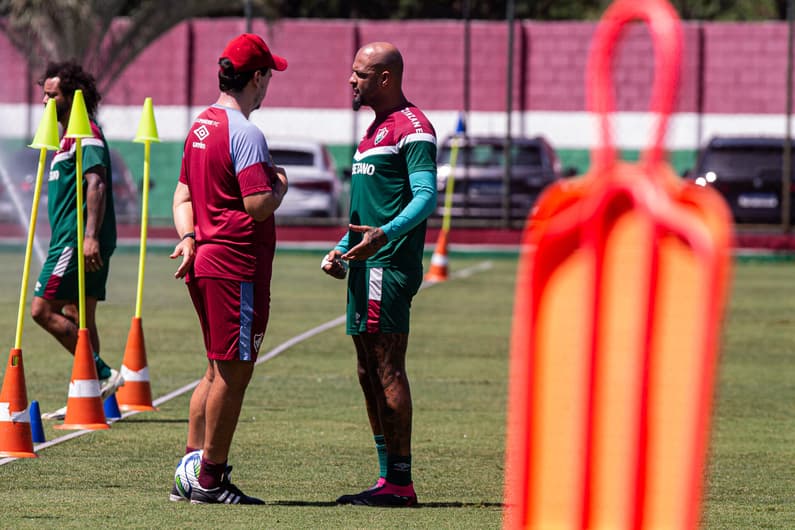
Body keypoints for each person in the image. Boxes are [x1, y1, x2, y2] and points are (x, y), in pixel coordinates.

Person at [169, 33, 289, 505]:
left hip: (207, 262)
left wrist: (188, 237)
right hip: (235, 266)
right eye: (268, 77)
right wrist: (280, 185)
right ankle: (210, 479)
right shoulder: (244, 131)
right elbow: (258, 204)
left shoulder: (201, 124)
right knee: (234, 374)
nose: (268, 87)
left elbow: (181, 196)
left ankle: (191, 469)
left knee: (217, 371)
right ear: (255, 78)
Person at [322, 42, 437, 507]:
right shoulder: (372, 132)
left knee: (386, 369)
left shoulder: (413, 127)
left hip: (386, 268)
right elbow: (365, 207)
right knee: (366, 369)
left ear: (385, 78)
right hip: (364, 264)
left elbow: (426, 195)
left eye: (360, 73)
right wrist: (342, 246)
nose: (351, 80)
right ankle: (386, 477)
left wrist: (384, 235)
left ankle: (400, 483)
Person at [31, 61, 124, 419]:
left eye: (51, 95)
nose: (44, 101)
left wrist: (89, 237)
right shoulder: (66, 138)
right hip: (73, 238)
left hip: (75, 241)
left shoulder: (87, 134)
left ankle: (100, 373)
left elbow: (96, 184)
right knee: (79, 314)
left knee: (42, 310)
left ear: (71, 97)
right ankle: (88, 396)